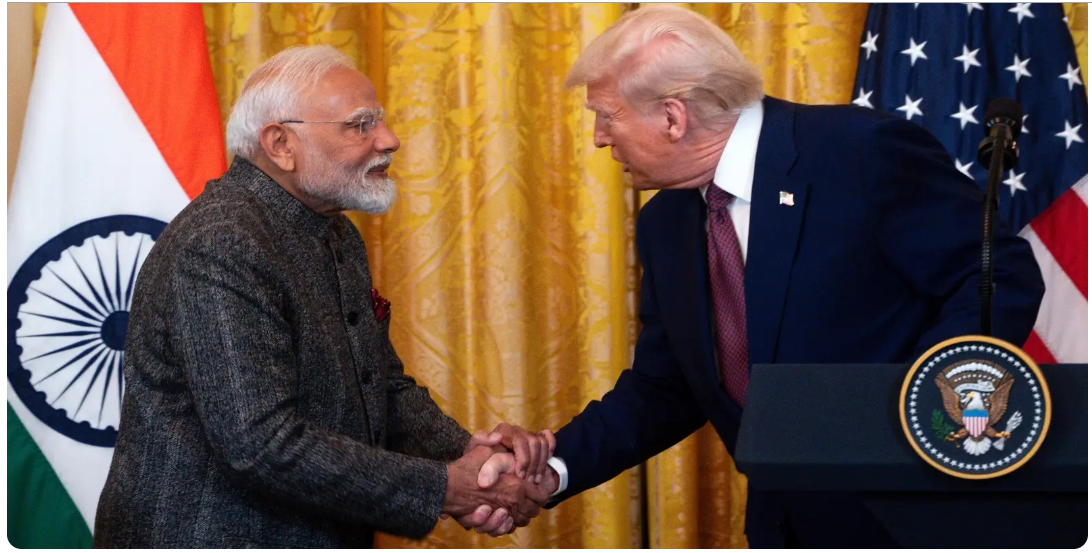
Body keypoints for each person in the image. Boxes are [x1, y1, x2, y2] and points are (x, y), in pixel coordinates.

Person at [530, 5, 1045, 548]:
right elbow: (666, 388)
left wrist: (915, 411)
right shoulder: (667, 221)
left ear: (673, 117)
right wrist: (554, 466)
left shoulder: (859, 153)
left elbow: (997, 274)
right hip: (787, 528)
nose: (598, 138)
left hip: (916, 517)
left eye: (607, 115)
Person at [93, 45, 552, 548]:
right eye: (361, 125)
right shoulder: (222, 242)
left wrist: (474, 458)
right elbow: (261, 443)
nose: (390, 140)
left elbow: (379, 387)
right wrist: (446, 489)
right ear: (280, 144)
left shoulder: (335, 233)